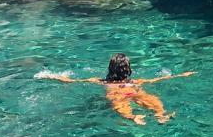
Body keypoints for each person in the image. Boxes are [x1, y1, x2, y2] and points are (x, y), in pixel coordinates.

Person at [40, 53, 195, 126]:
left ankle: (133, 117)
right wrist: (182, 75)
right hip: (134, 90)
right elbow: (159, 79)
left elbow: (73, 81)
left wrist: (51, 76)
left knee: (120, 106)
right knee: (152, 100)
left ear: (110, 68)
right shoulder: (135, 81)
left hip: (117, 94)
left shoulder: (103, 82)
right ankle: (160, 114)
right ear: (128, 69)